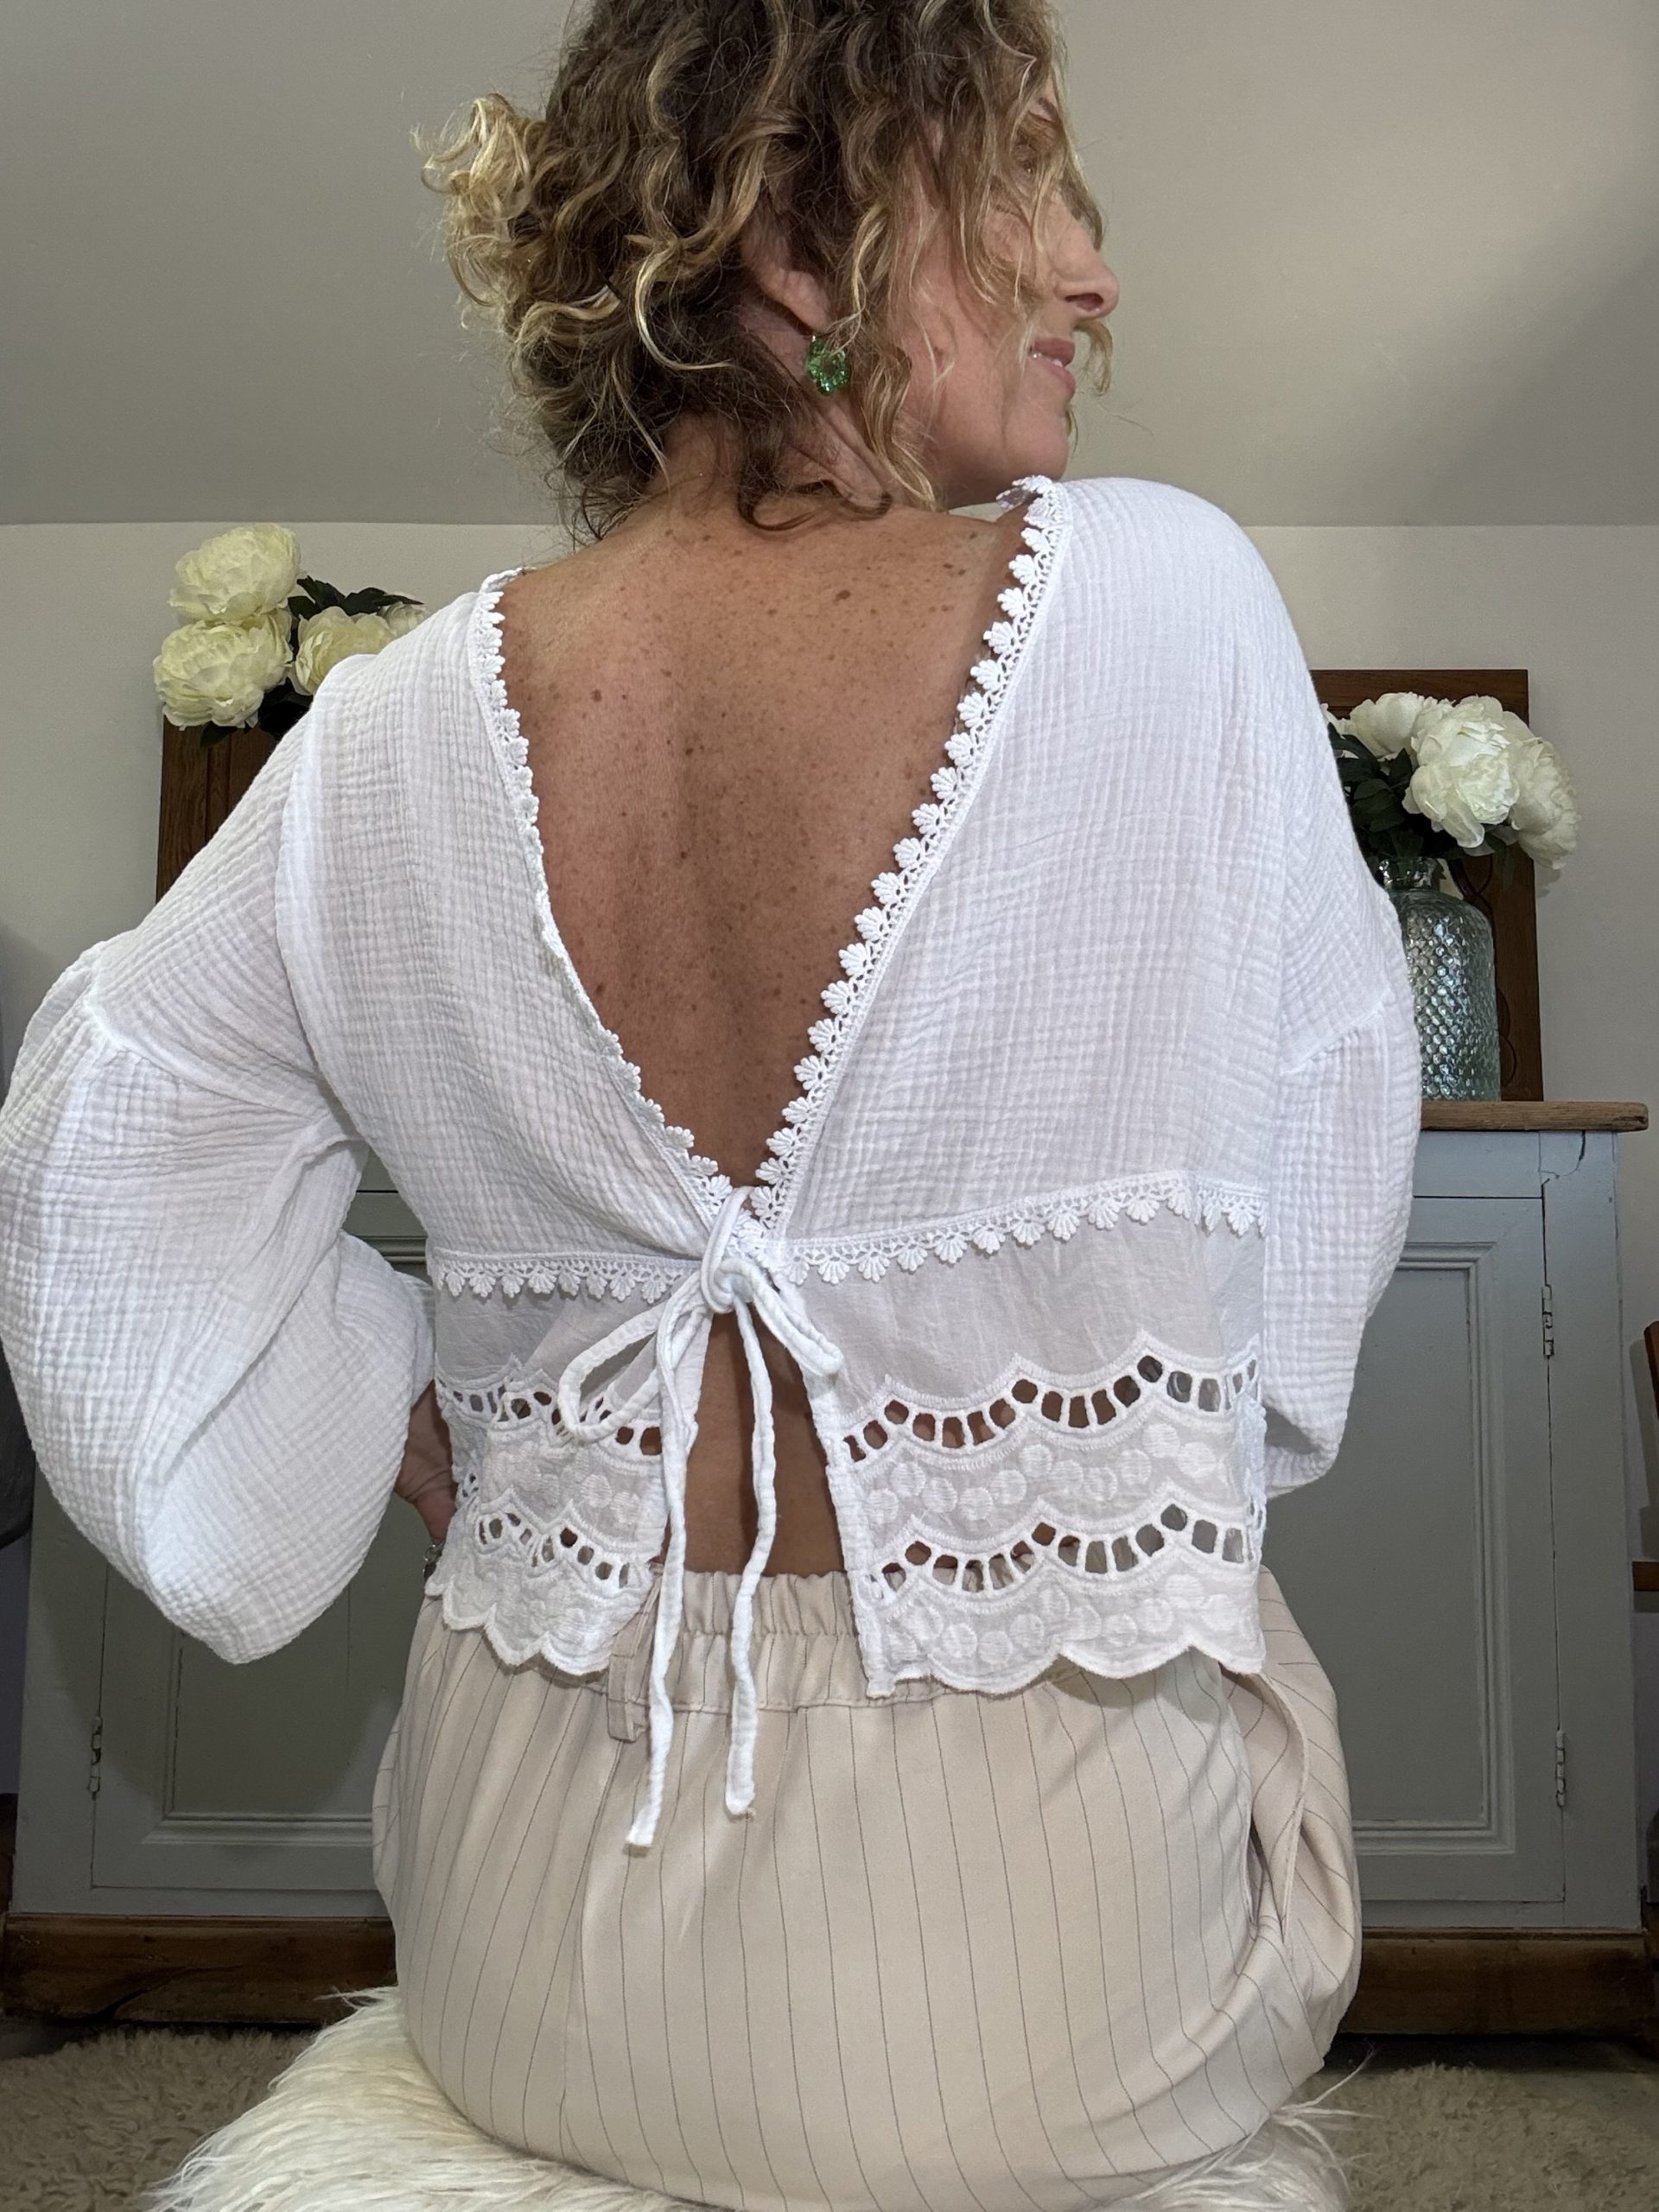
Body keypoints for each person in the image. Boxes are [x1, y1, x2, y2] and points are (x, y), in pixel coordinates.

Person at [0, 3, 1420, 2206]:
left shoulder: (376, 738)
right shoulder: (1165, 596)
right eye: (1025, 180)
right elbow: (1308, 1243)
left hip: (520, 1933)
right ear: (791, 243)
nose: (1093, 269)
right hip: (1026, 1985)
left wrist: (394, 1398)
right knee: (1258, 1717)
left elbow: (108, 1125)